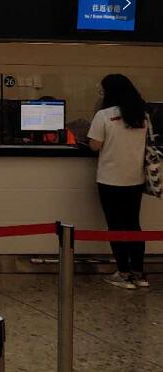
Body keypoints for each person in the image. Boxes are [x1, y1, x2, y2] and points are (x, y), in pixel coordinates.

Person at [88, 74, 151, 289]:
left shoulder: (104, 115)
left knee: (115, 226)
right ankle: (139, 273)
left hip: (110, 179)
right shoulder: (142, 115)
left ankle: (123, 273)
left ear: (110, 92)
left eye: (102, 89)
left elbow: (95, 145)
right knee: (133, 225)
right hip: (135, 179)